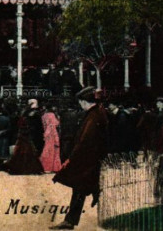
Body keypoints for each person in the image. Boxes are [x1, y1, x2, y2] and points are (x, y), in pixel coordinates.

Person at [51, 87, 108, 230]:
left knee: (79, 187)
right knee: (80, 188)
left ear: (84, 101)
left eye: (80, 102)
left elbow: (84, 140)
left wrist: (71, 158)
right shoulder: (96, 113)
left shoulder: (93, 116)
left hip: (87, 160)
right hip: (91, 159)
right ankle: (71, 219)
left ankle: (70, 220)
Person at [40, 104, 62, 173]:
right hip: (52, 134)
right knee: (54, 150)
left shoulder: (44, 115)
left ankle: (45, 166)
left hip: (47, 133)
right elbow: (55, 124)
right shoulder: (52, 115)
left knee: (47, 150)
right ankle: (54, 167)